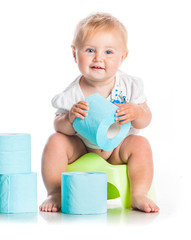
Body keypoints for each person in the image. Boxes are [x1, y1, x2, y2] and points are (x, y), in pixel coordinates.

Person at [39, 13, 159, 213]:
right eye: (90, 50)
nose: (98, 58)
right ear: (75, 54)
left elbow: (145, 119)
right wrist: (69, 118)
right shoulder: (73, 93)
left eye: (108, 52)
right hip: (82, 149)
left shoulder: (129, 85)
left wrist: (137, 112)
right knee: (55, 141)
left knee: (141, 144)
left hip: (118, 148)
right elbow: (58, 124)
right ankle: (56, 192)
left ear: (123, 56)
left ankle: (139, 193)